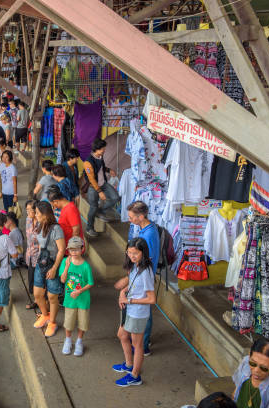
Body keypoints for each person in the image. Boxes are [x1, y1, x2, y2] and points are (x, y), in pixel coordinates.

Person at [113, 237, 156, 387]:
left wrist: (130, 300)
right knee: (122, 335)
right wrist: (122, 293)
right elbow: (131, 284)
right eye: (129, 252)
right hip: (129, 309)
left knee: (137, 345)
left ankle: (135, 376)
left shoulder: (146, 272)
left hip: (138, 312)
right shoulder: (134, 266)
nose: (132, 256)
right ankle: (129, 364)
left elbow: (151, 299)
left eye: (135, 253)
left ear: (143, 253)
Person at [124, 200, 160, 356]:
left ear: (141, 215)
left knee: (145, 312)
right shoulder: (144, 229)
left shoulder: (149, 234)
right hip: (139, 275)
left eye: (132, 217)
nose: (130, 220)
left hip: (144, 276)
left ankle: (142, 345)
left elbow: (147, 258)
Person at [33, 202, 66, 338]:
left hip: (53, 265)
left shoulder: (56, 229)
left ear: (45, 215)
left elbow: (61, 250)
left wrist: (54, 268)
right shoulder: (40, 225)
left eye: (37, 213)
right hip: (41, 263)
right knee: (37, 294)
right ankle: (45, 315)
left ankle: (52, 322)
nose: (35, 215)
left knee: (52, 296)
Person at [232, 338, 269, 408]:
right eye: (253, 363)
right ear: (249, 356)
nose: (256, 370)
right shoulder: (246, 361)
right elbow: (236, 389)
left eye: (264, 368)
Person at [59, 236, 94, 356]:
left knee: (83, 323)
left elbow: (90, 283)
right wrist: (67, 267)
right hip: (70, 300)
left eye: (76, 249)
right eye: (71, 250)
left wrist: (80, 291)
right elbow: (63, 280)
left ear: (82, 249)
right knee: (68, 322)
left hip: (83, 300)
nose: (73, 252)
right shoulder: (65, 262)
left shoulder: (86, 266)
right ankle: (68, 340)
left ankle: (79, 341)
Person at [83, 139, 119, 237]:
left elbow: (101, 167)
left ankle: (101, 211)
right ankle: (89, 228)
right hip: (93, 187)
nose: (104, 150)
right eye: (103, 149)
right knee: (93, 207)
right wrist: (99, 191)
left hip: (103, 183)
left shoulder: (100, 156)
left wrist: (109, 170)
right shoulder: (88, 162)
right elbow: (91, 179)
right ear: (97, 149)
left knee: (115, 197)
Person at [25, 200, 40, 309]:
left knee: (38, 281)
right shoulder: (28, 220)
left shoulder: (42, 223)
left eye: (30, 210)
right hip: (30, 255)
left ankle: (38, 302)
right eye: (27, 210)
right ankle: (37, 300)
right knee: (31, 280)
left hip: (39, 257)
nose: (28, 212)